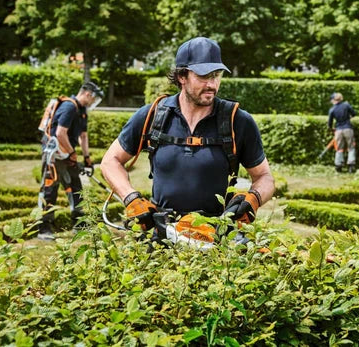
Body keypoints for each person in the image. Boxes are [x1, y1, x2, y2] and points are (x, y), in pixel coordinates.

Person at [101, 37, 275, 244]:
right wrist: (130, 198)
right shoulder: (153, 115)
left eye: (216, 75)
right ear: (182, 76)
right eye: (203, 76)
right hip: (162, 237)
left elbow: (265, 177)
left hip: (216, 237)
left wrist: (254, 198)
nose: (212, 84)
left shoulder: (237, 120)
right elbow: (110, 161)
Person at [38, 82, 104, 241]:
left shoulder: (82, 111)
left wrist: (87, 157)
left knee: (76, 187)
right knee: (50, 189)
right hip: (54, 155)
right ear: (87, 94)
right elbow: (60, 133)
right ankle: (44, 228)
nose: (93, 102)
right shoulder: (69, 107)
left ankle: (79, 224)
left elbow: (83, 136)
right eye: (94, 98)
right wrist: (72, 153)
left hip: (66, 153)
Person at [328, 92, 356, 173]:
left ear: (334, 100)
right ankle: (351, 165)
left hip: (338, 130)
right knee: (351, 147)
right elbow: (354, 113)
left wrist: (331, 129)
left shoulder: (332, 109)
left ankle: (338, 165)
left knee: (339, 148)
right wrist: (349, 117)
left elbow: (329, 123)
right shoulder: (346, 105)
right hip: (348, 128)